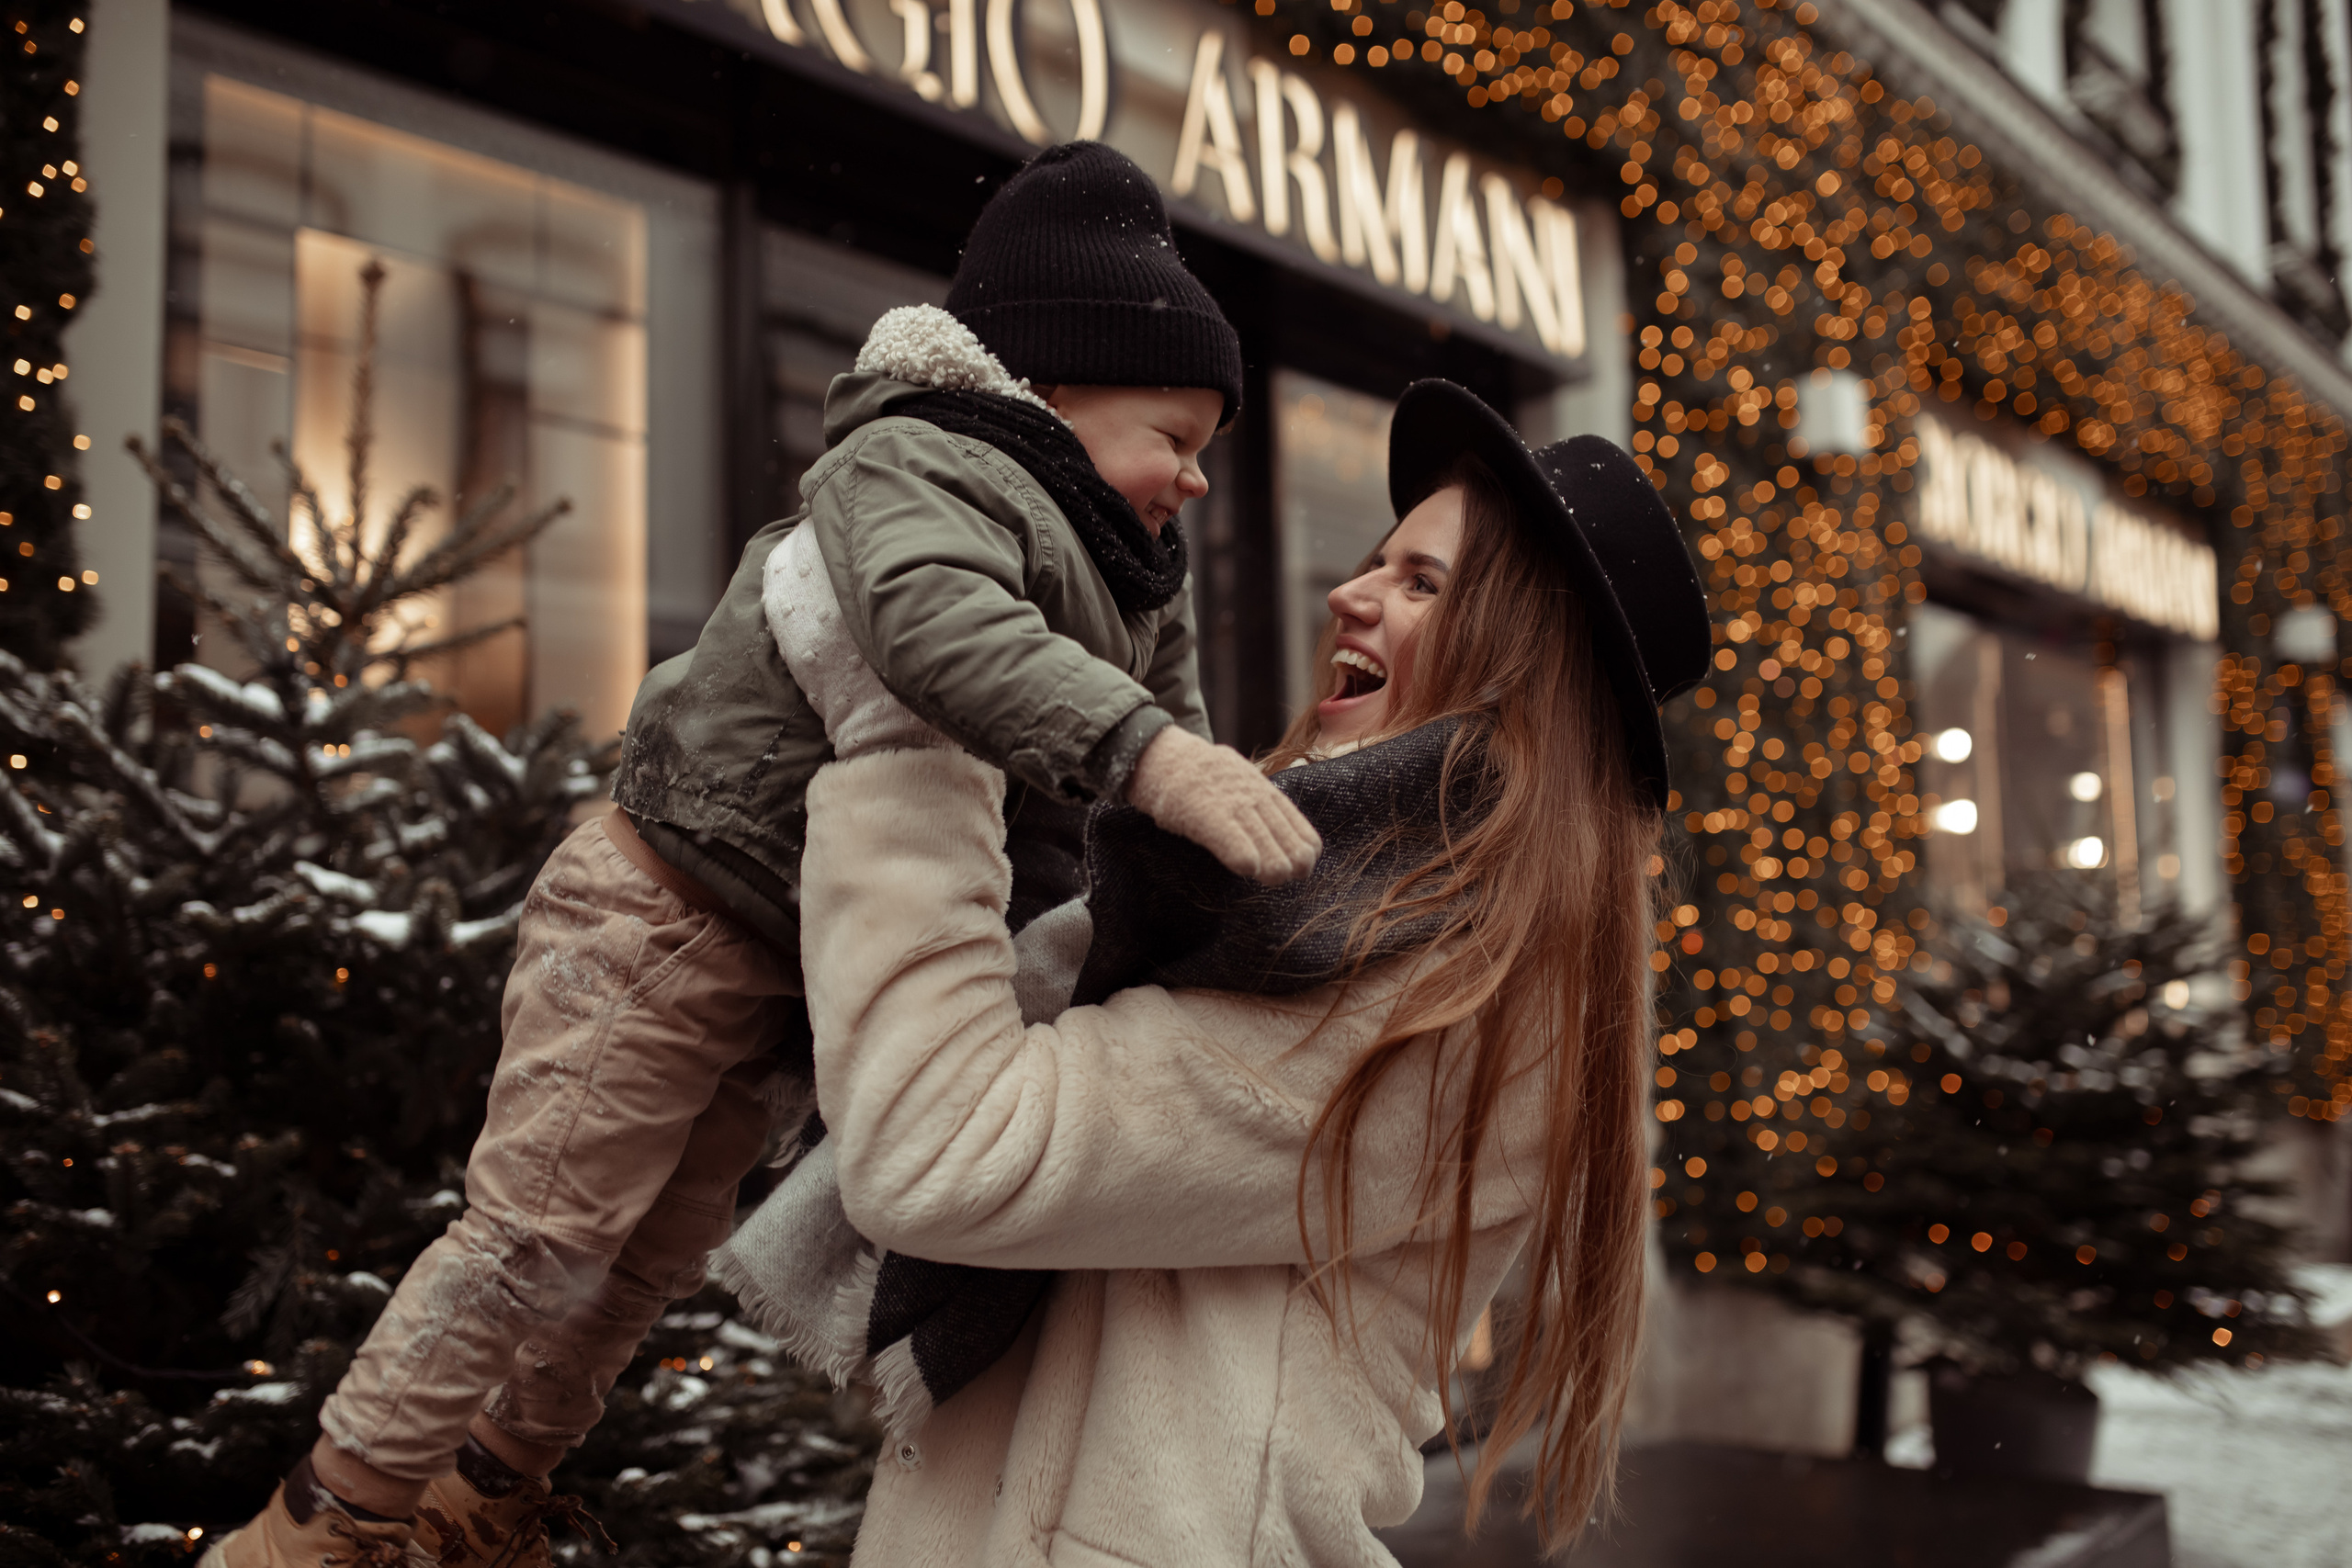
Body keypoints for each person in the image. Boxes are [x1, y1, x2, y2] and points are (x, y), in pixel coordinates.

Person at [203, 141, 1318, 1568]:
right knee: (536, 1235)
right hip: (660, 915)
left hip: (768, 974)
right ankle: (322, 1524)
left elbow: (1152, 769)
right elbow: (942, 629)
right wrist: (1161, 768)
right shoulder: (917, 460)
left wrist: (1183, 880)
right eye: (1177, 435)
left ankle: (480, 1499)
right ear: (1052, 390)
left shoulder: (1130, 581)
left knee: (644, 1262)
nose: (1198, 481)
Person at [752, 378, 1712, 1564]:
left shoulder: (1437, 988)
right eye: (1379, 561)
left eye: (1422, 584)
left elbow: (939, 1149)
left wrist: (907, 729)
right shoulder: (1310, 915)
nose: (1350, 593)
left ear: (1523, 672)